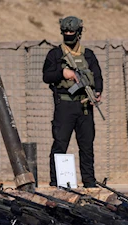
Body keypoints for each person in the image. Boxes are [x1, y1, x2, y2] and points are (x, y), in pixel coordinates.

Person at [42, 16, 103, 188]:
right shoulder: (55, 54)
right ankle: (56, 182)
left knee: (86, 144)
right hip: (65, 104)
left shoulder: (88, 55)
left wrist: (97, 93)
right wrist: (63, 73)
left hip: (84, 105)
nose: (69, 35)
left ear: (79, 33)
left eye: (72, 32)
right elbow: (46, 76)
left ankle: (89, 182)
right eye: (66, 32)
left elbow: (97, 76)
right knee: (60, 143)